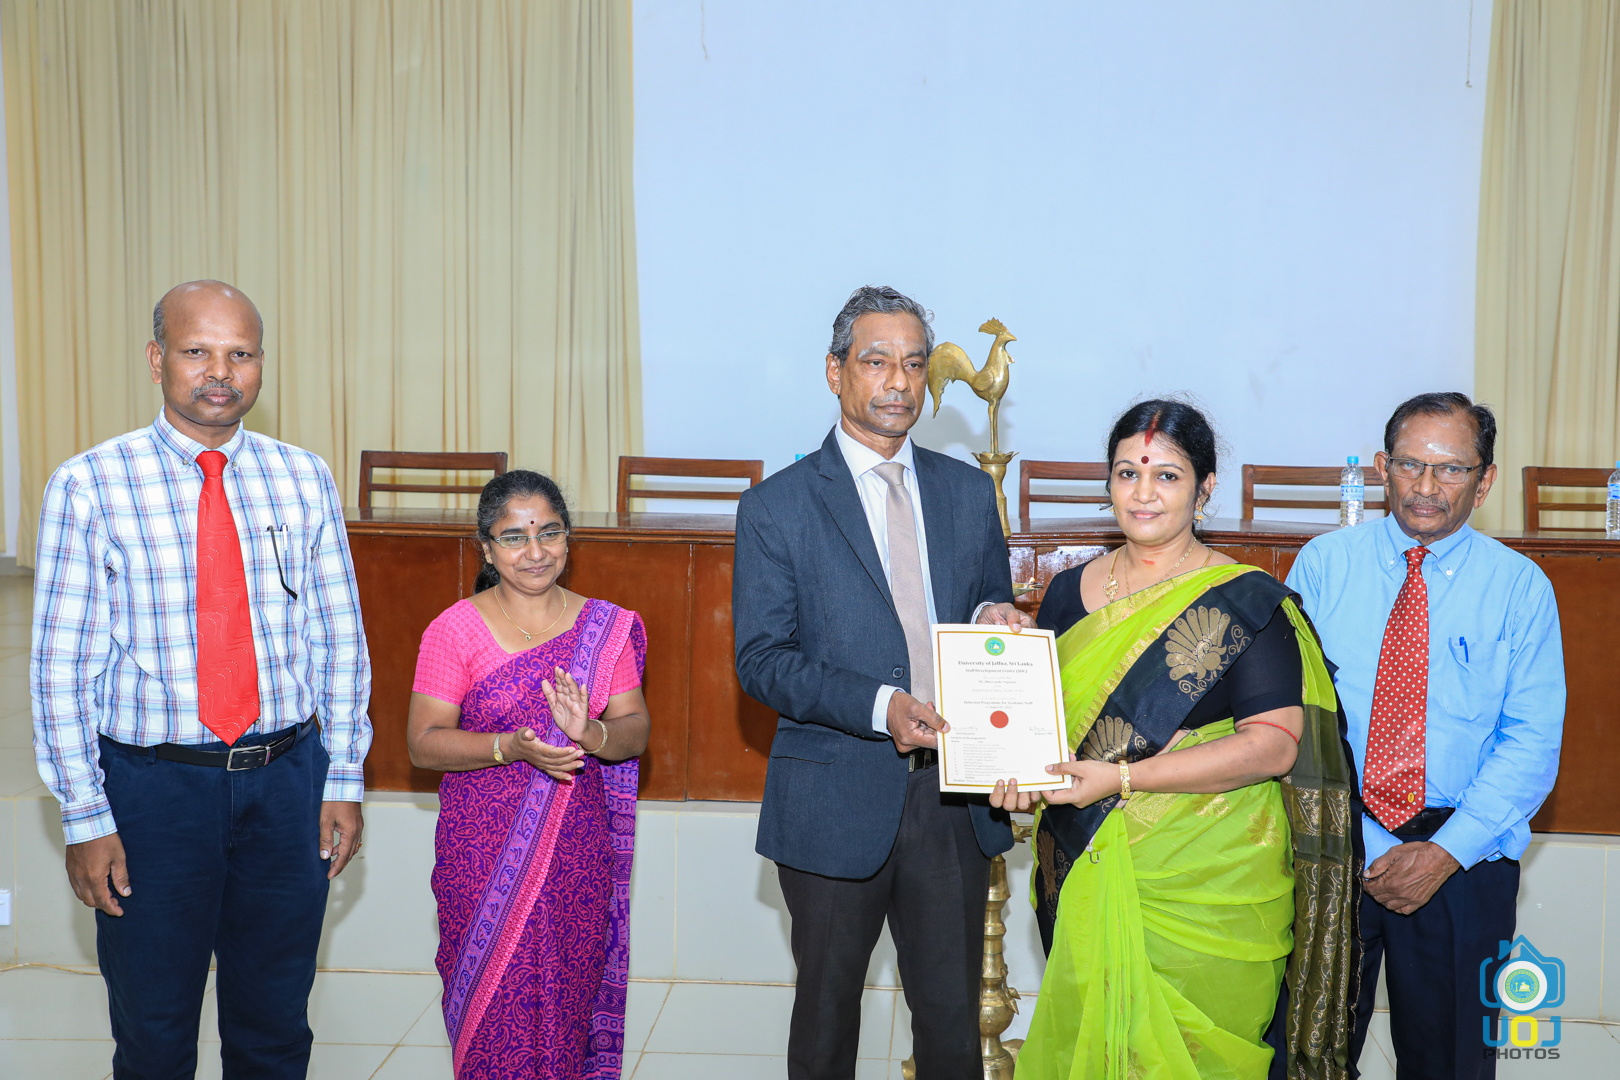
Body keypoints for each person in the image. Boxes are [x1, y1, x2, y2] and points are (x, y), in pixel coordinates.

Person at [31, 280, 372, 1078]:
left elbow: (338, 638)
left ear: (262, 364)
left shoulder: (303, 477)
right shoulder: (91, 484)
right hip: (153, 795)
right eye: (197, 351)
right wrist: (85, 815)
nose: (220, 372)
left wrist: (343, 775)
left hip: (287, 783)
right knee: (154, 1035)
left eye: (240, 353)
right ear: (158, 360)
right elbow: (60, 669)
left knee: (275, 1029)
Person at [992, 399, 1360, 1079]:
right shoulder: (1067, 592)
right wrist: (1018, 775)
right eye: (1127, 473)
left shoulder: (1244, 601)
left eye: (1167, 475)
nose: (1143, 493)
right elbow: (1051, 728)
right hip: (1082, 857)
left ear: (1204, 487)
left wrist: (1124, 778)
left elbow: (1273, 744)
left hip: (1207, 884)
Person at [733, 285, 1029, 1079]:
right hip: (832, 798)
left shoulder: (968, 492)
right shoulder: (777, 507)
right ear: (835, 372)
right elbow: (762, 659)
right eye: (876, 361)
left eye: (914, 363)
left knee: (951, 1031)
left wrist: (996, 614)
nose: (899, 381)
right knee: (826, 1023)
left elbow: (985, 600)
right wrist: (879, 707)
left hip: (952, 797)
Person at [1286, 392, 1564, 1080]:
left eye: (1451, 469)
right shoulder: (1323, 566)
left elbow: (1531, 742)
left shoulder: (1521, 587)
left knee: (1453, 1061)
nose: (1426, 487)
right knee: (1306, 1057)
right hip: (1336, 846)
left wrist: (1442, 853)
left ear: (1484, 481)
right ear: (1382, 468)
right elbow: (1294, 719)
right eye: (1410, 464)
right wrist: (1367, 843)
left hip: (1464, 856)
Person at [407, 470, 649, 1080]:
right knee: (492, 1013)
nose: (535, 551)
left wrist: (589, 734)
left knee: (567, 1004)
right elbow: (423, 743)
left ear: (569, 539)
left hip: (576, 856)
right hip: (480, 855)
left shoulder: (604, 626)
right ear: (487, 550)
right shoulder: (454, 629)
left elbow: (635, 728)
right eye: (514, 537)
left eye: (549, 533)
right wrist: (509, 748)